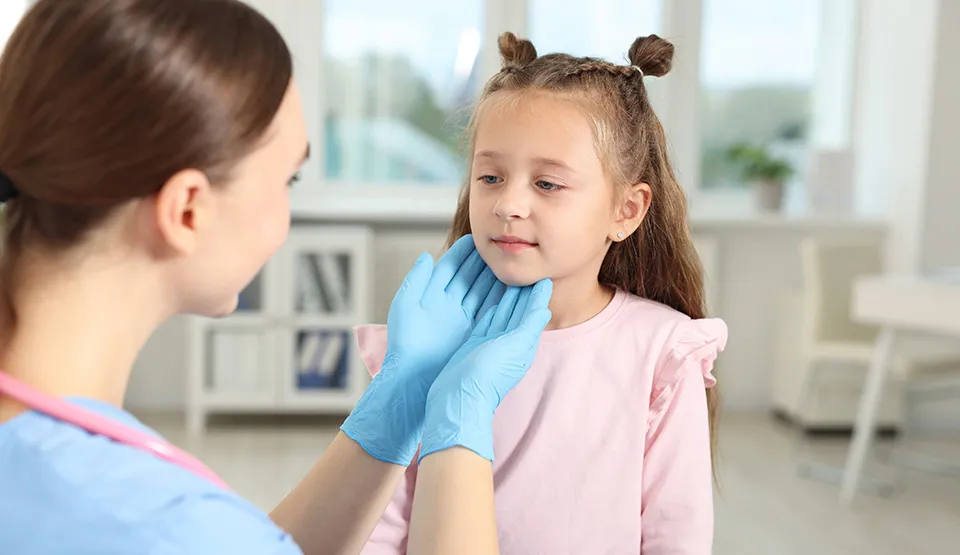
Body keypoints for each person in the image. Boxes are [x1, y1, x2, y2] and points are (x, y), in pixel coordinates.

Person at [0, 2, 554, 554]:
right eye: (288, 178)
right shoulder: (155, 522)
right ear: (188, 210)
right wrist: (460, 417)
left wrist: (399, 399)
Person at [357, 32, 728, 554]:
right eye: (490, 176)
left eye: (547, 184)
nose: (508, 204)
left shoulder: (660, 352)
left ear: (626, 210)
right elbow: (382, 524)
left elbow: (677, 535)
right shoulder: (432, 337)